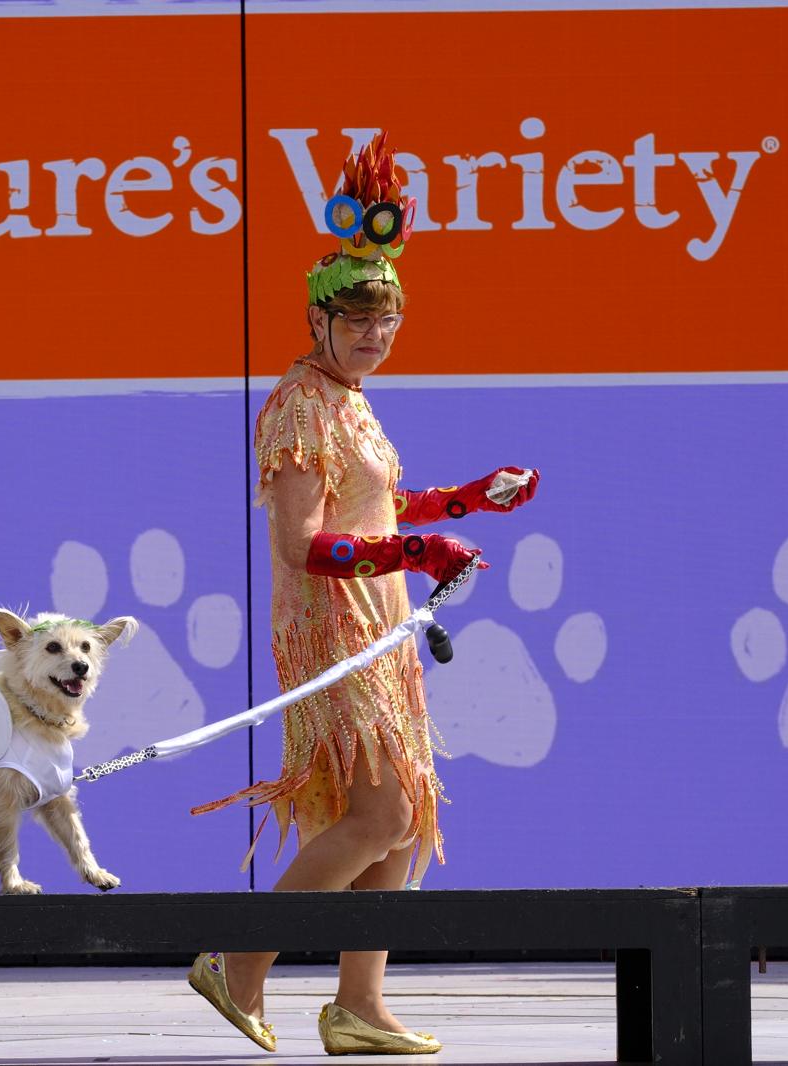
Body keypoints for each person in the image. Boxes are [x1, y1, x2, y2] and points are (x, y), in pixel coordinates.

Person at [187, 132, 539, 1055]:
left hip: (379, 632)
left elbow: (378, 505)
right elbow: (305, 545)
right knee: (378, 815)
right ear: (316, 322)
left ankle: (358, 1007)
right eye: (355, 323)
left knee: (401, 823)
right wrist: (421, 549)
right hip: (336, 634)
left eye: (385, 322)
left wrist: (467, 499)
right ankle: (236, 961)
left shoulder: (348, 399)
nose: (374, 336)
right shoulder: (300, 407)